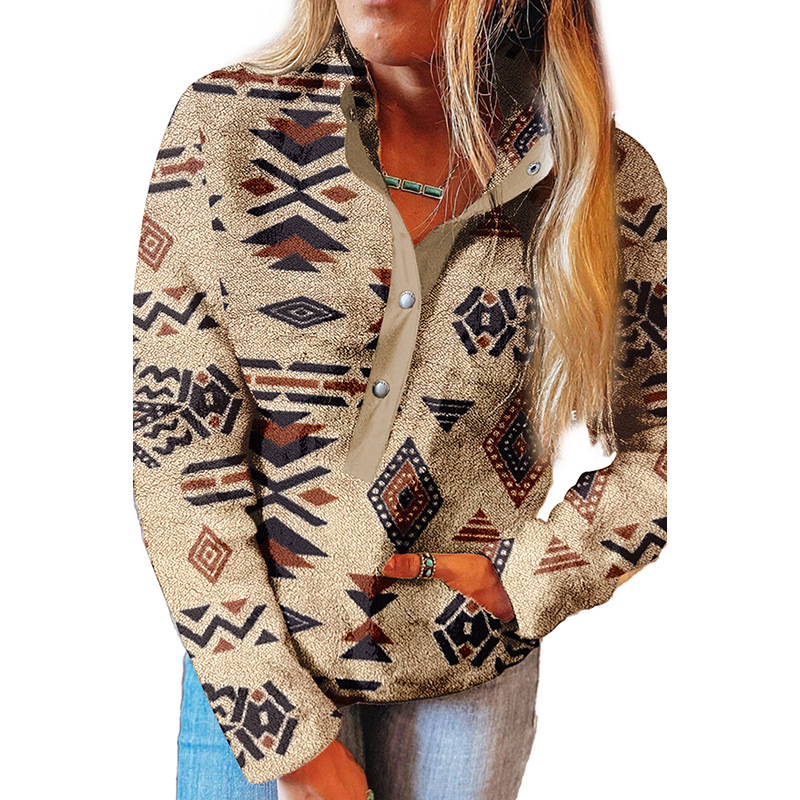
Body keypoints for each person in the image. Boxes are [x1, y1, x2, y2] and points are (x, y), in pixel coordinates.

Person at [131, 1, 667, 798]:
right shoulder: (226, 128)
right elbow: (177, 451)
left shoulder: (603, 182)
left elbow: (673, 444)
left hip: (468, 676)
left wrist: (541, 571)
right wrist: (286, 740)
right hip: (252, 664)